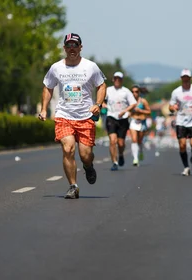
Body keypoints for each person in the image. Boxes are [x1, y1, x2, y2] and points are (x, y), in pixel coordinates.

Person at [39, 33, 106, 199]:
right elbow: (48, 87)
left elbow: (102, 85)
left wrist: (97, 104)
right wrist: (44, 109)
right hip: (64, 115)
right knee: (68, 148)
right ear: (64, 48)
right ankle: (73, 186)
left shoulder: (91, 67)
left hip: (85, 116)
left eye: (75, 45)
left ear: (80, 47)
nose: (72, 48)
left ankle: (88, 166)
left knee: (85, 155)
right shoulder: (56, 68)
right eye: (68, 45)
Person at [169, 69, 192, 176]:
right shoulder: (176, 92)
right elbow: (170, 107)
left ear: (190, 78)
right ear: (181, 79)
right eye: (184, 78)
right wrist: (173, 108)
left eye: (187, 78)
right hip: (181, 121)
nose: (185, 80)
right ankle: (186, 167)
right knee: (182, 145)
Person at [105, 72, 137, 171]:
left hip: (123, 119)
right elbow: (101, 99)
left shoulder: (126, 91)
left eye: (119, 79)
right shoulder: (108, 90)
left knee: (121, 143)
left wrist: (125, 111)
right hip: (111, 117)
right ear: (113, 79)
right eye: (115, 78)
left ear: (122, 80)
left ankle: (121, 154)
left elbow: (133, 103)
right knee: (112, 141)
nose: (117, 80)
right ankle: (114, 162)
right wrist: (103, 105)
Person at [129, 85, 151, 166]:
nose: (134, 93)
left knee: (139, 140)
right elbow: (127, 110)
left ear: (139, 92)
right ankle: (135, 159)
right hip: (133, 121)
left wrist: (140, 110)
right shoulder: (129, 101)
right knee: (134, 140)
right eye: (133, 92)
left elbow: (149, 111)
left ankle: (140, 150)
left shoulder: (143, 101)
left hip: (141, 122)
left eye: (136, 92)